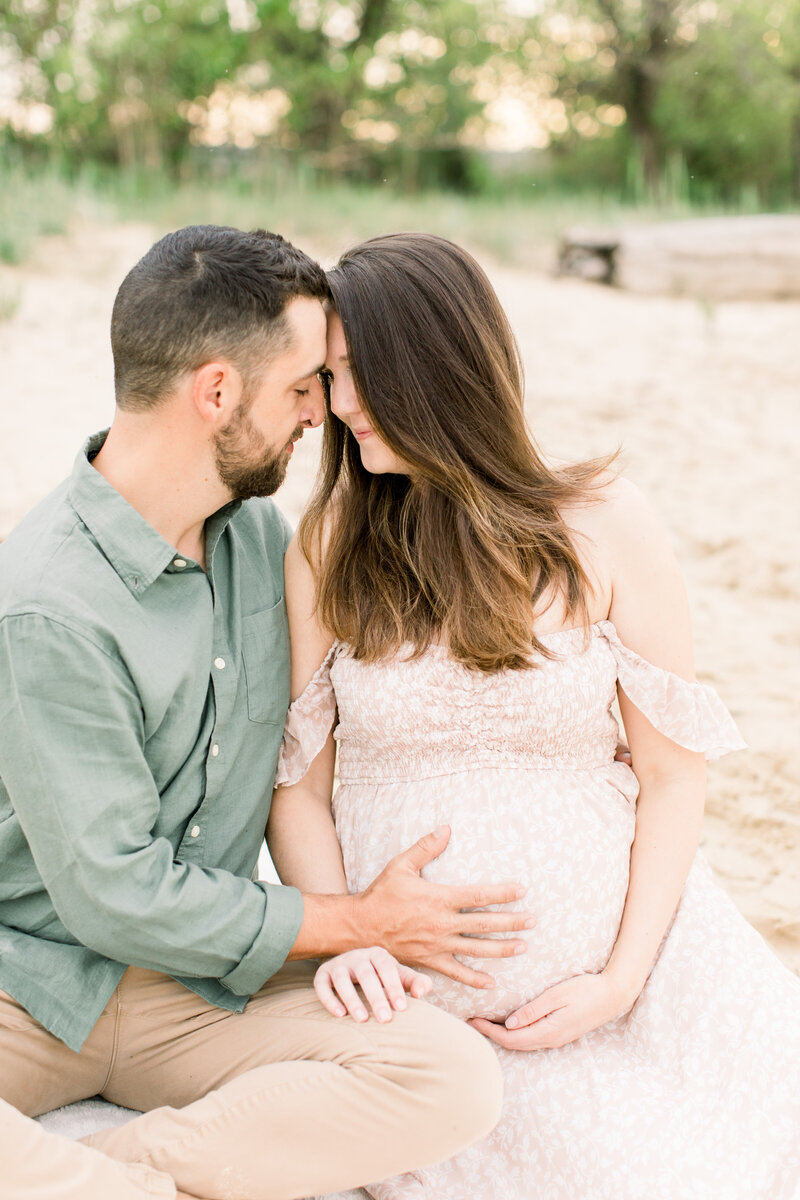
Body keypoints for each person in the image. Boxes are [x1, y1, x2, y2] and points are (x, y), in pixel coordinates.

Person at [0, 224, 539, 1200]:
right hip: (30, 985)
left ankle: (122, 1179)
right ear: (217, 391)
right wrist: (353, 920)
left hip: (199, 990)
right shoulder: (46, 603)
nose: (321, 412)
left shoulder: (263, 538)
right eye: (303, 386)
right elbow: (112, 892)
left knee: (447, 1077)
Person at [267, 231, 800, 1200]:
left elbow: (674, 776)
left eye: (356, 376)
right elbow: (294, 789)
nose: (338, 406)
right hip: (409, 1009)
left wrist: (618, 981)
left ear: (438, 367)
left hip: (633, 988)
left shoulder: (602, 522)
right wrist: (349, 938)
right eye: (329, 379)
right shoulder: (330, 544)